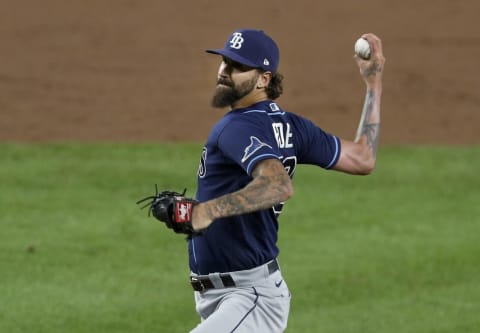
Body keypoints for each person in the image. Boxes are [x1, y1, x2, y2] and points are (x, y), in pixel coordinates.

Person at [187, 29, 385, 333]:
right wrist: (373, 83)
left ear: (264, 78)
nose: (224, 72)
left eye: (237, 67)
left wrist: (207, 211)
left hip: (249, 298)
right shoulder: (291, 127)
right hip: (230, 296)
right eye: (224, 62)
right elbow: (363, 157)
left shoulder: (238, 126)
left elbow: (278, 185)